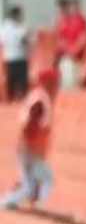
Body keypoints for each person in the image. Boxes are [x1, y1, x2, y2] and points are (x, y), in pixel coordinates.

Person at [3, 65, 56, 210]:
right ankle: (39, 206)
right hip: (30, 149)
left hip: (27, 148)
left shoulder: (36, 96)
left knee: (30, 186)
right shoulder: (40, 99)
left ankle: (10, 203)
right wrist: (33, 149)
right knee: (45, 179)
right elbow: (31, 125)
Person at [54, 0, 86, 91]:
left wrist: (75, 50)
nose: (73, 9)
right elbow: (61, 39)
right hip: (66, 56)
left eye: (74, 6)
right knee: (66, 84)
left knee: (76, 84)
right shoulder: (64, 20)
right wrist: (68, 51)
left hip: (78, 57)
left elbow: (83, 37)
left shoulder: (82, 20)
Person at [0, 7, 30, 102]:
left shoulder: (4, 27)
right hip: (18, 58)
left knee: (13, 82)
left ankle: (12, 101)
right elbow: (25, 41)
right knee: (20, 82)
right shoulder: (21, 27)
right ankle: (17, 100)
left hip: (11, 58)